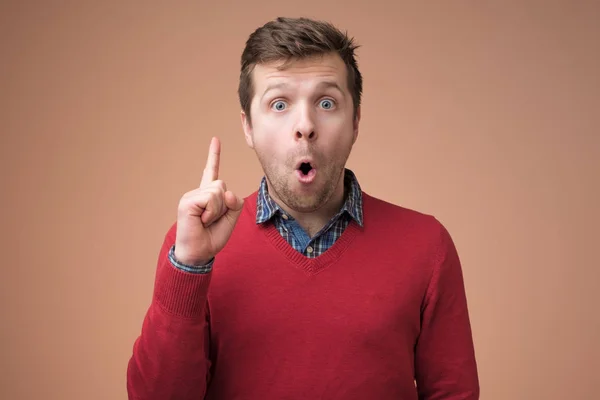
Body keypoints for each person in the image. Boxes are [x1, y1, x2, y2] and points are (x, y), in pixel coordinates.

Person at [126, 16, 480, 400]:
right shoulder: (193, 248)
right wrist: (190, 267)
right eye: (279, 104)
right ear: (248, 127)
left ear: (356, 121)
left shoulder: (426, 246)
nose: (305, 125)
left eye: (326, 102)